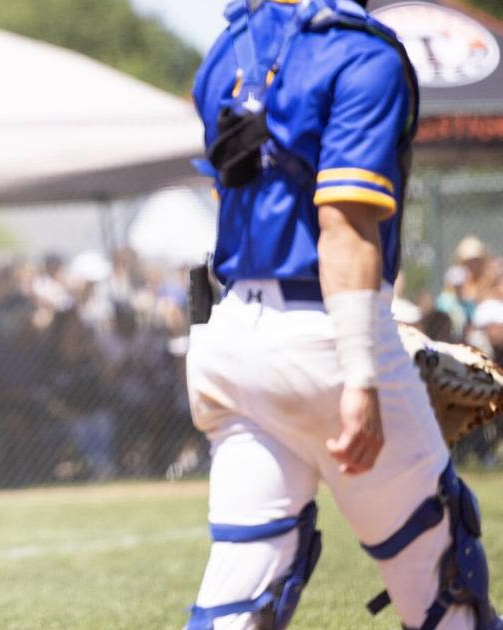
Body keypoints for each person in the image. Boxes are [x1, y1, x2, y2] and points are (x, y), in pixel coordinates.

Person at [185, 1, 502, 628]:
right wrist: (362, 370)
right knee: (448, 589)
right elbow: (343, 223)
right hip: (327, 338)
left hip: (229, 342)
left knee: (236, 605)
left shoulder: (228, 48)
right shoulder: (363, 51)